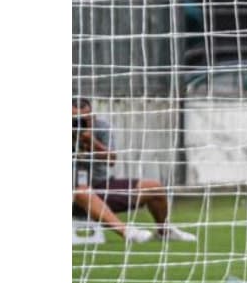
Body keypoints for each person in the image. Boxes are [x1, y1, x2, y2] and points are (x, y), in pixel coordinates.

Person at [73, 97, 197, 243]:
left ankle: (164, 231)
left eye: (84, 119)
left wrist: (92, 142)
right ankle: (127, 233)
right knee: (82, 191)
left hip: (101, 186)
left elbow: (111, 160)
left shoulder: (101, 128)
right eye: (75, 119)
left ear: (92, 116)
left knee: (154, 187)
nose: (79, 123)